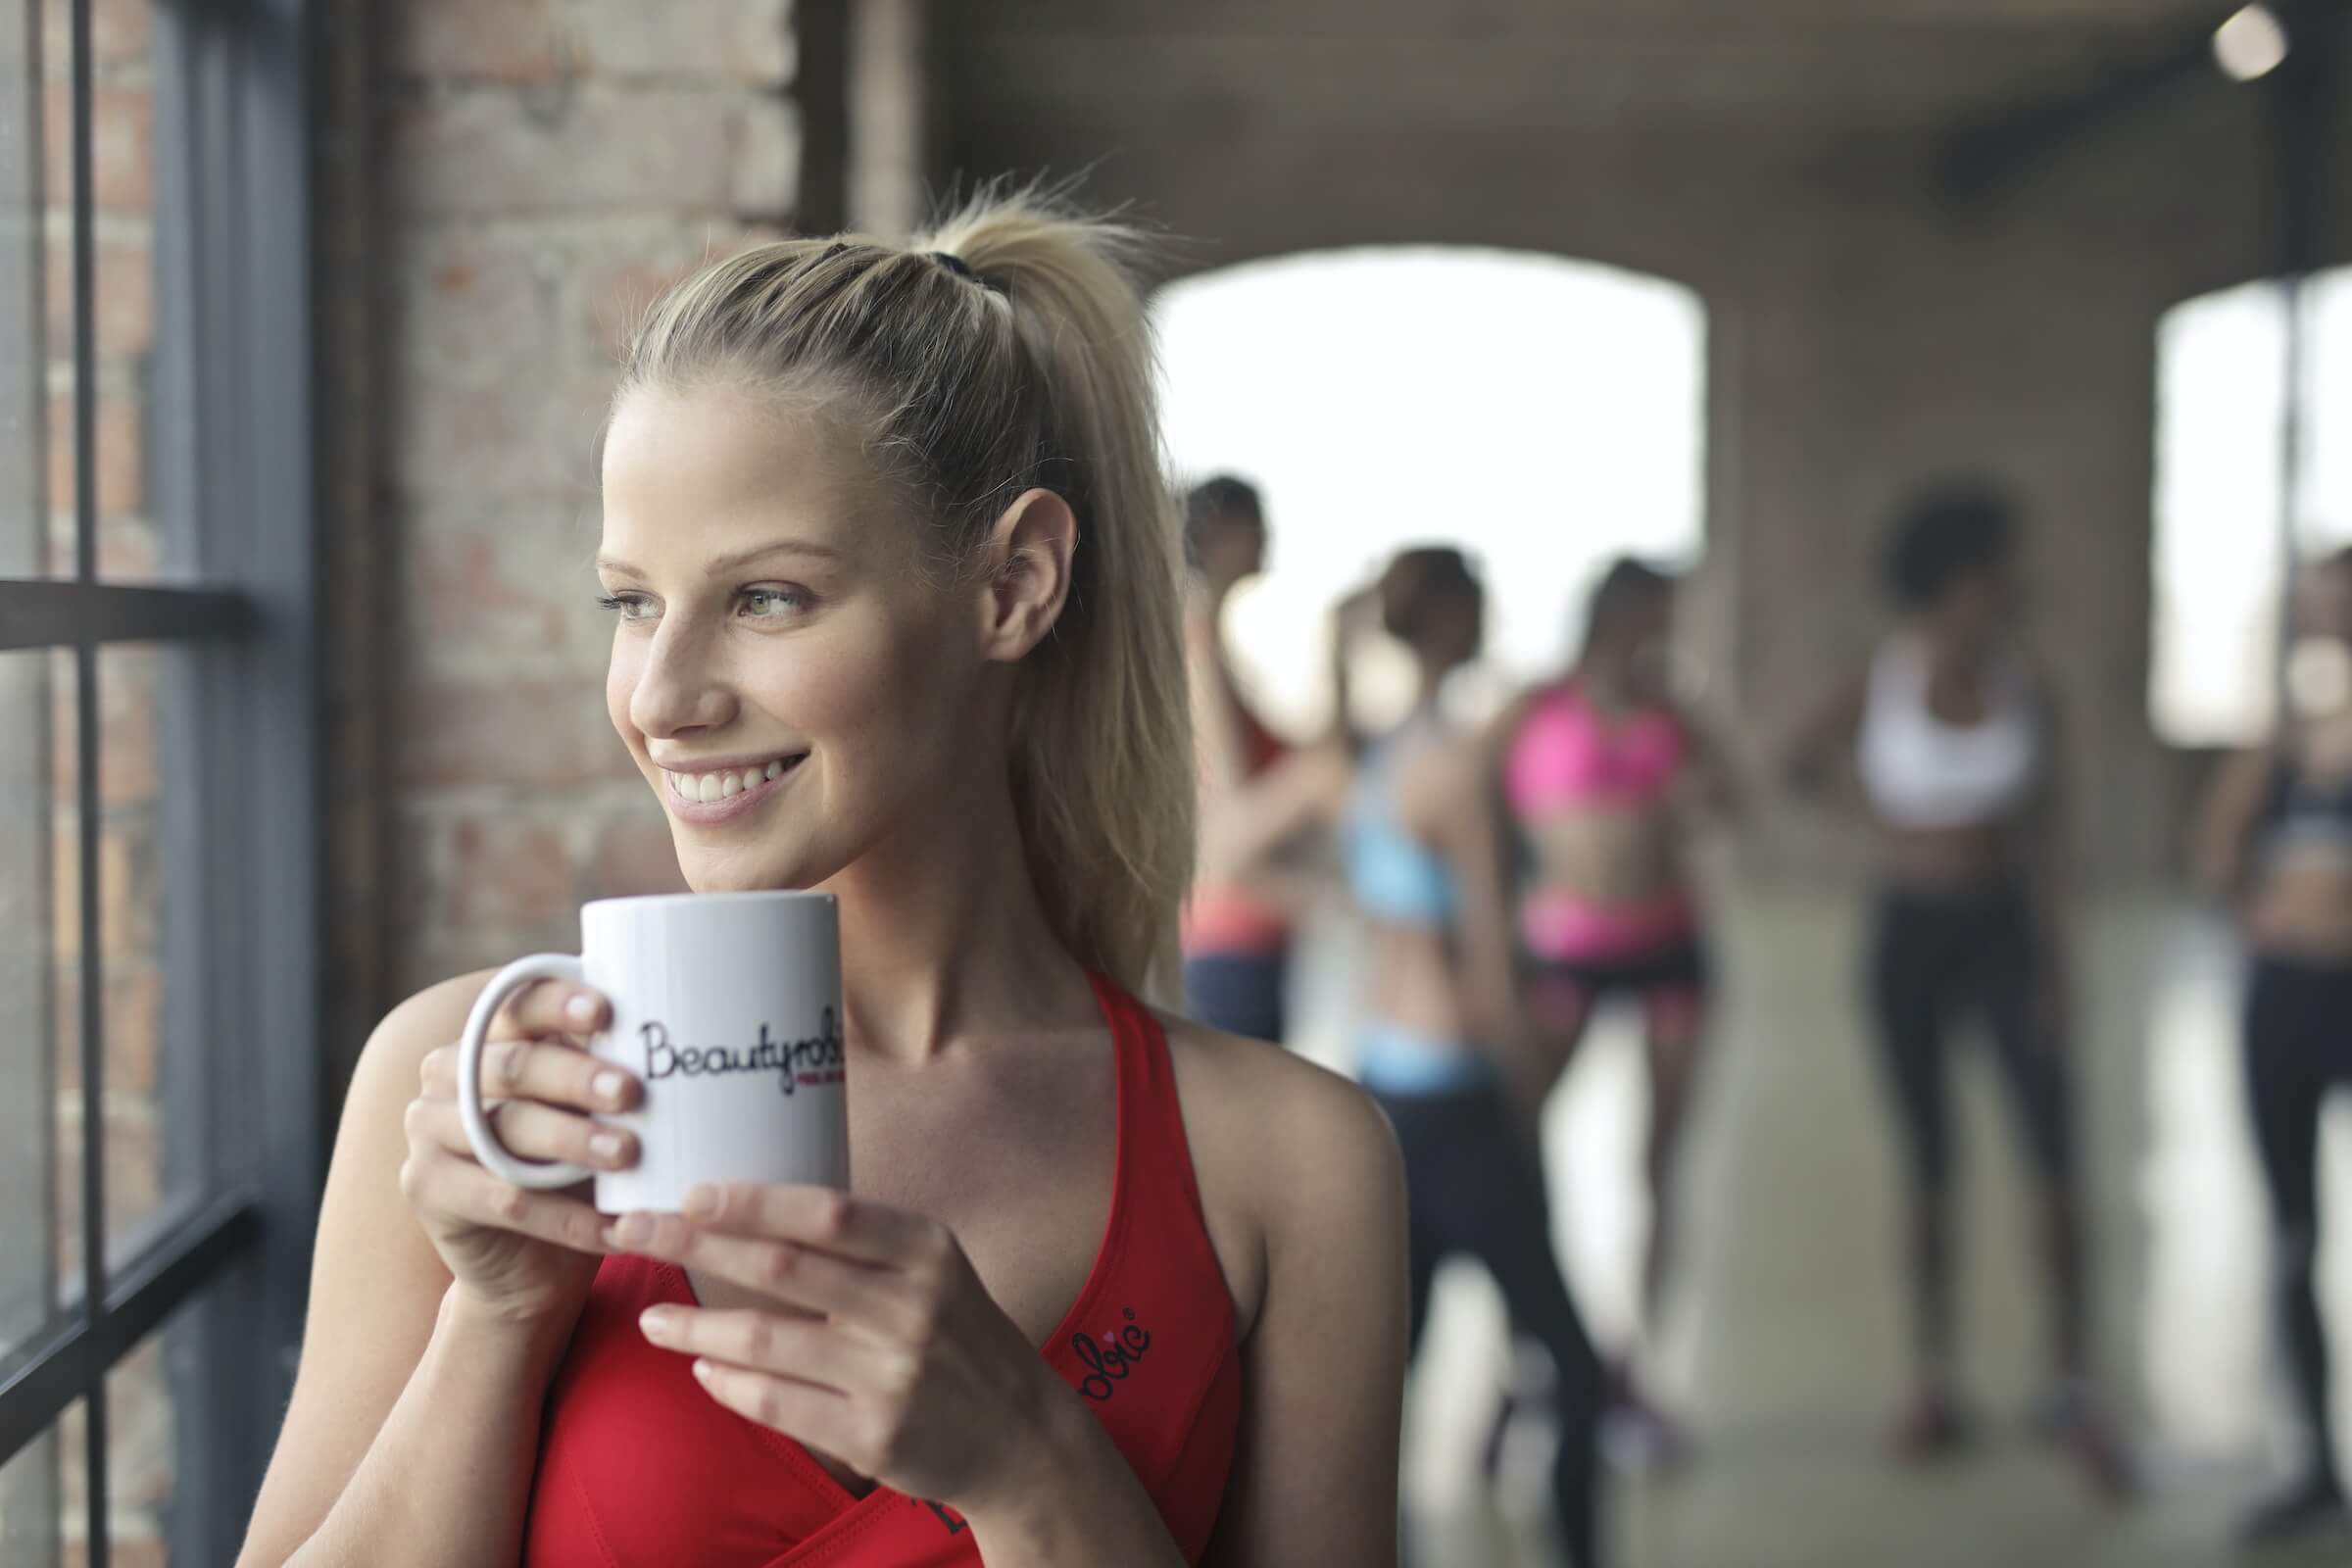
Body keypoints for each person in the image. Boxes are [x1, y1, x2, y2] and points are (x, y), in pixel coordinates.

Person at [235, 189, 1407, 1568]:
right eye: (631, 601)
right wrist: (495, 1318)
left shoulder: (1287, 1169)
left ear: (1014, 586)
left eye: (766, 598)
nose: (660, 696)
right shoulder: (466, 1095)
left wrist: (1033, 1467)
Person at [1784, 479, 2127, 1494]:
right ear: (1950, 581)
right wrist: (1882, 826)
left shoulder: (2033, 686)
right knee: (1928, 1157)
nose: (2011, 586)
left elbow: (2057, 841)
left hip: (2005, 934)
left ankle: (2069, 1380)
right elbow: (1798, 762)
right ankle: (1931, 1377)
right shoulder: (1881, 679)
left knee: (2052, 1153)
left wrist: (2061, 964)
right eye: (1993, 569)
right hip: (1910, 936)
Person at [1342, 548, 1607, 1564]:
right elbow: (1496, 963)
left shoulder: (1376, 759)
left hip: (1385, 1092)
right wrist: (1532, 1097)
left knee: (1388, 1383)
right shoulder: (1457, 768)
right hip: (1462, 1097)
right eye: (1479, 599)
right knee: (1575, 1371)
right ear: (1450, 615)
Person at [1494, 559, 1734, 1464]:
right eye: (1655, 615)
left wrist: (1701, 792)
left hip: (1668, 945)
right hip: (1568, 950)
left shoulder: (1675, 711)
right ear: (1617, 614)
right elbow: (1475, 796)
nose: (1662, 632)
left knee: (1659, 1164)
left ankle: (1636, 1369)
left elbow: (1733, 799)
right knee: (1514, 1151)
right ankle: (1527, 1363)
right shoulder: (1539, 705)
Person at [2194, 545, 2352, 1544]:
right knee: (2294, 1234)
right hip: (2287, 1001)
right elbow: (2211, 858)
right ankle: (2317, 1467)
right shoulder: (2285, 745)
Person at [1179, 477, 1340, 1046]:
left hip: (1247, 941)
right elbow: (1229, 825)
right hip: (1227, 942)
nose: (1268, 535)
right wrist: (1320, 778)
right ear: (1221, 534)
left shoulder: (1214, 645)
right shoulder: (1195, 641)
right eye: (1257, 522)